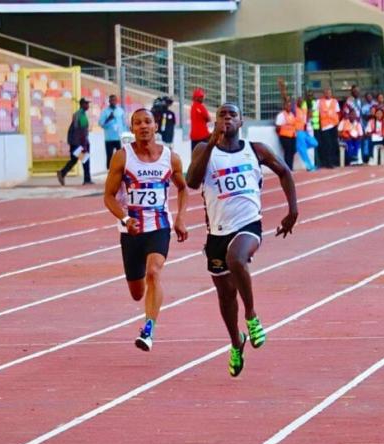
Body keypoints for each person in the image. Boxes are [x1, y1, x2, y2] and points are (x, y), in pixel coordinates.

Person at [186, 103, 298, 377]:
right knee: (225, 296)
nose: (227, 119)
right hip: (216, 232)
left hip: (249, 224)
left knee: (236, 258)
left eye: (232, 115)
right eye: (222, 115)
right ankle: (236, 342)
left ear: (241, 121)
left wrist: (292, 211)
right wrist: (211, 144)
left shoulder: (256, 150)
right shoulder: (204, 150)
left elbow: (284, 171)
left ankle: (251, 316)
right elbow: (191, 182)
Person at [103, 108, 189, 351]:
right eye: (137, 123)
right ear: (132, 129)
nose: (143, 126)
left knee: (154, 272)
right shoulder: (122, 157)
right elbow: (108, 196)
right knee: (137, 292)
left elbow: (183, 188)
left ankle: (148, 328)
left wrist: (181, 218)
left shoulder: (170, 158)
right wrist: (124, 218)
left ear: (155, 126)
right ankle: (145, 302)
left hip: (159, 226)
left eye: (147, 122)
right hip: (131, 231)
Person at [58, 98, 92, 185]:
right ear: (82, 104)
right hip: (78, 142)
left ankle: (62, 173)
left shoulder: (78, 114)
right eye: (86, 103)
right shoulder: (81, 115)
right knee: (85, 160)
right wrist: (84, 144)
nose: (88, 105)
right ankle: (87, 180)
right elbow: (82, 131)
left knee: (74, 160)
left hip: (75, 141)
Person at [98, 94, 126, 170]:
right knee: (109, 156)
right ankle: (109, 172)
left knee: (120, 155)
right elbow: (101, 123)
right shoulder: (105, 112)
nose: (113, 102)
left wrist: (125, 135)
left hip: (118, 137)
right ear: (109, 101)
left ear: (117, 101)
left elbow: (124, 124)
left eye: (115, 100)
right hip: (109, 138)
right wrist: (108, 119)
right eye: (112, 100)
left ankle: (120, 170)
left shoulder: (120, 111)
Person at [317, 87, 341, 169]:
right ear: (324, 93)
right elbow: (316, 113)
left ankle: (334, 161)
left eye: (329, 92)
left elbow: (338, 113)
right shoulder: (319, 102)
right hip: (324, 126)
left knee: (334, 144)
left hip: (333, 125)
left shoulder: (335, 101)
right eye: (326, 92)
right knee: (327, 145)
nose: (328, 94)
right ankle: (327, 162)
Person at [275, 100, 297, 170]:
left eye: (290, 106)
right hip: (285, 136)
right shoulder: (281, 115)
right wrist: (281, 134)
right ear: (284, 106)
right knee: (287, 151)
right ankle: (288, 167)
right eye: (287, 105)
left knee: (292, 151)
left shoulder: (292, 114)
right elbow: (278, 127)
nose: (289, 107)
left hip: (292, 135)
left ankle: (291, 166)